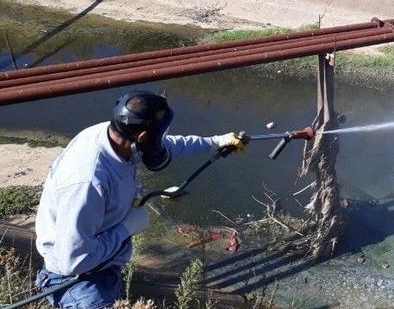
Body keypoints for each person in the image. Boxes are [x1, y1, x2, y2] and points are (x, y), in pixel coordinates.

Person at [33, 90, 246, 308]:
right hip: (77, 282)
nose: (162, 139)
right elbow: (73, 261)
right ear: (142, 136)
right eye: (158, 134)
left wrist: (215, 142)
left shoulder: (113, 135)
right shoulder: (88, 182)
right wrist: (126, 228)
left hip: (103, 263)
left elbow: (167, 146)